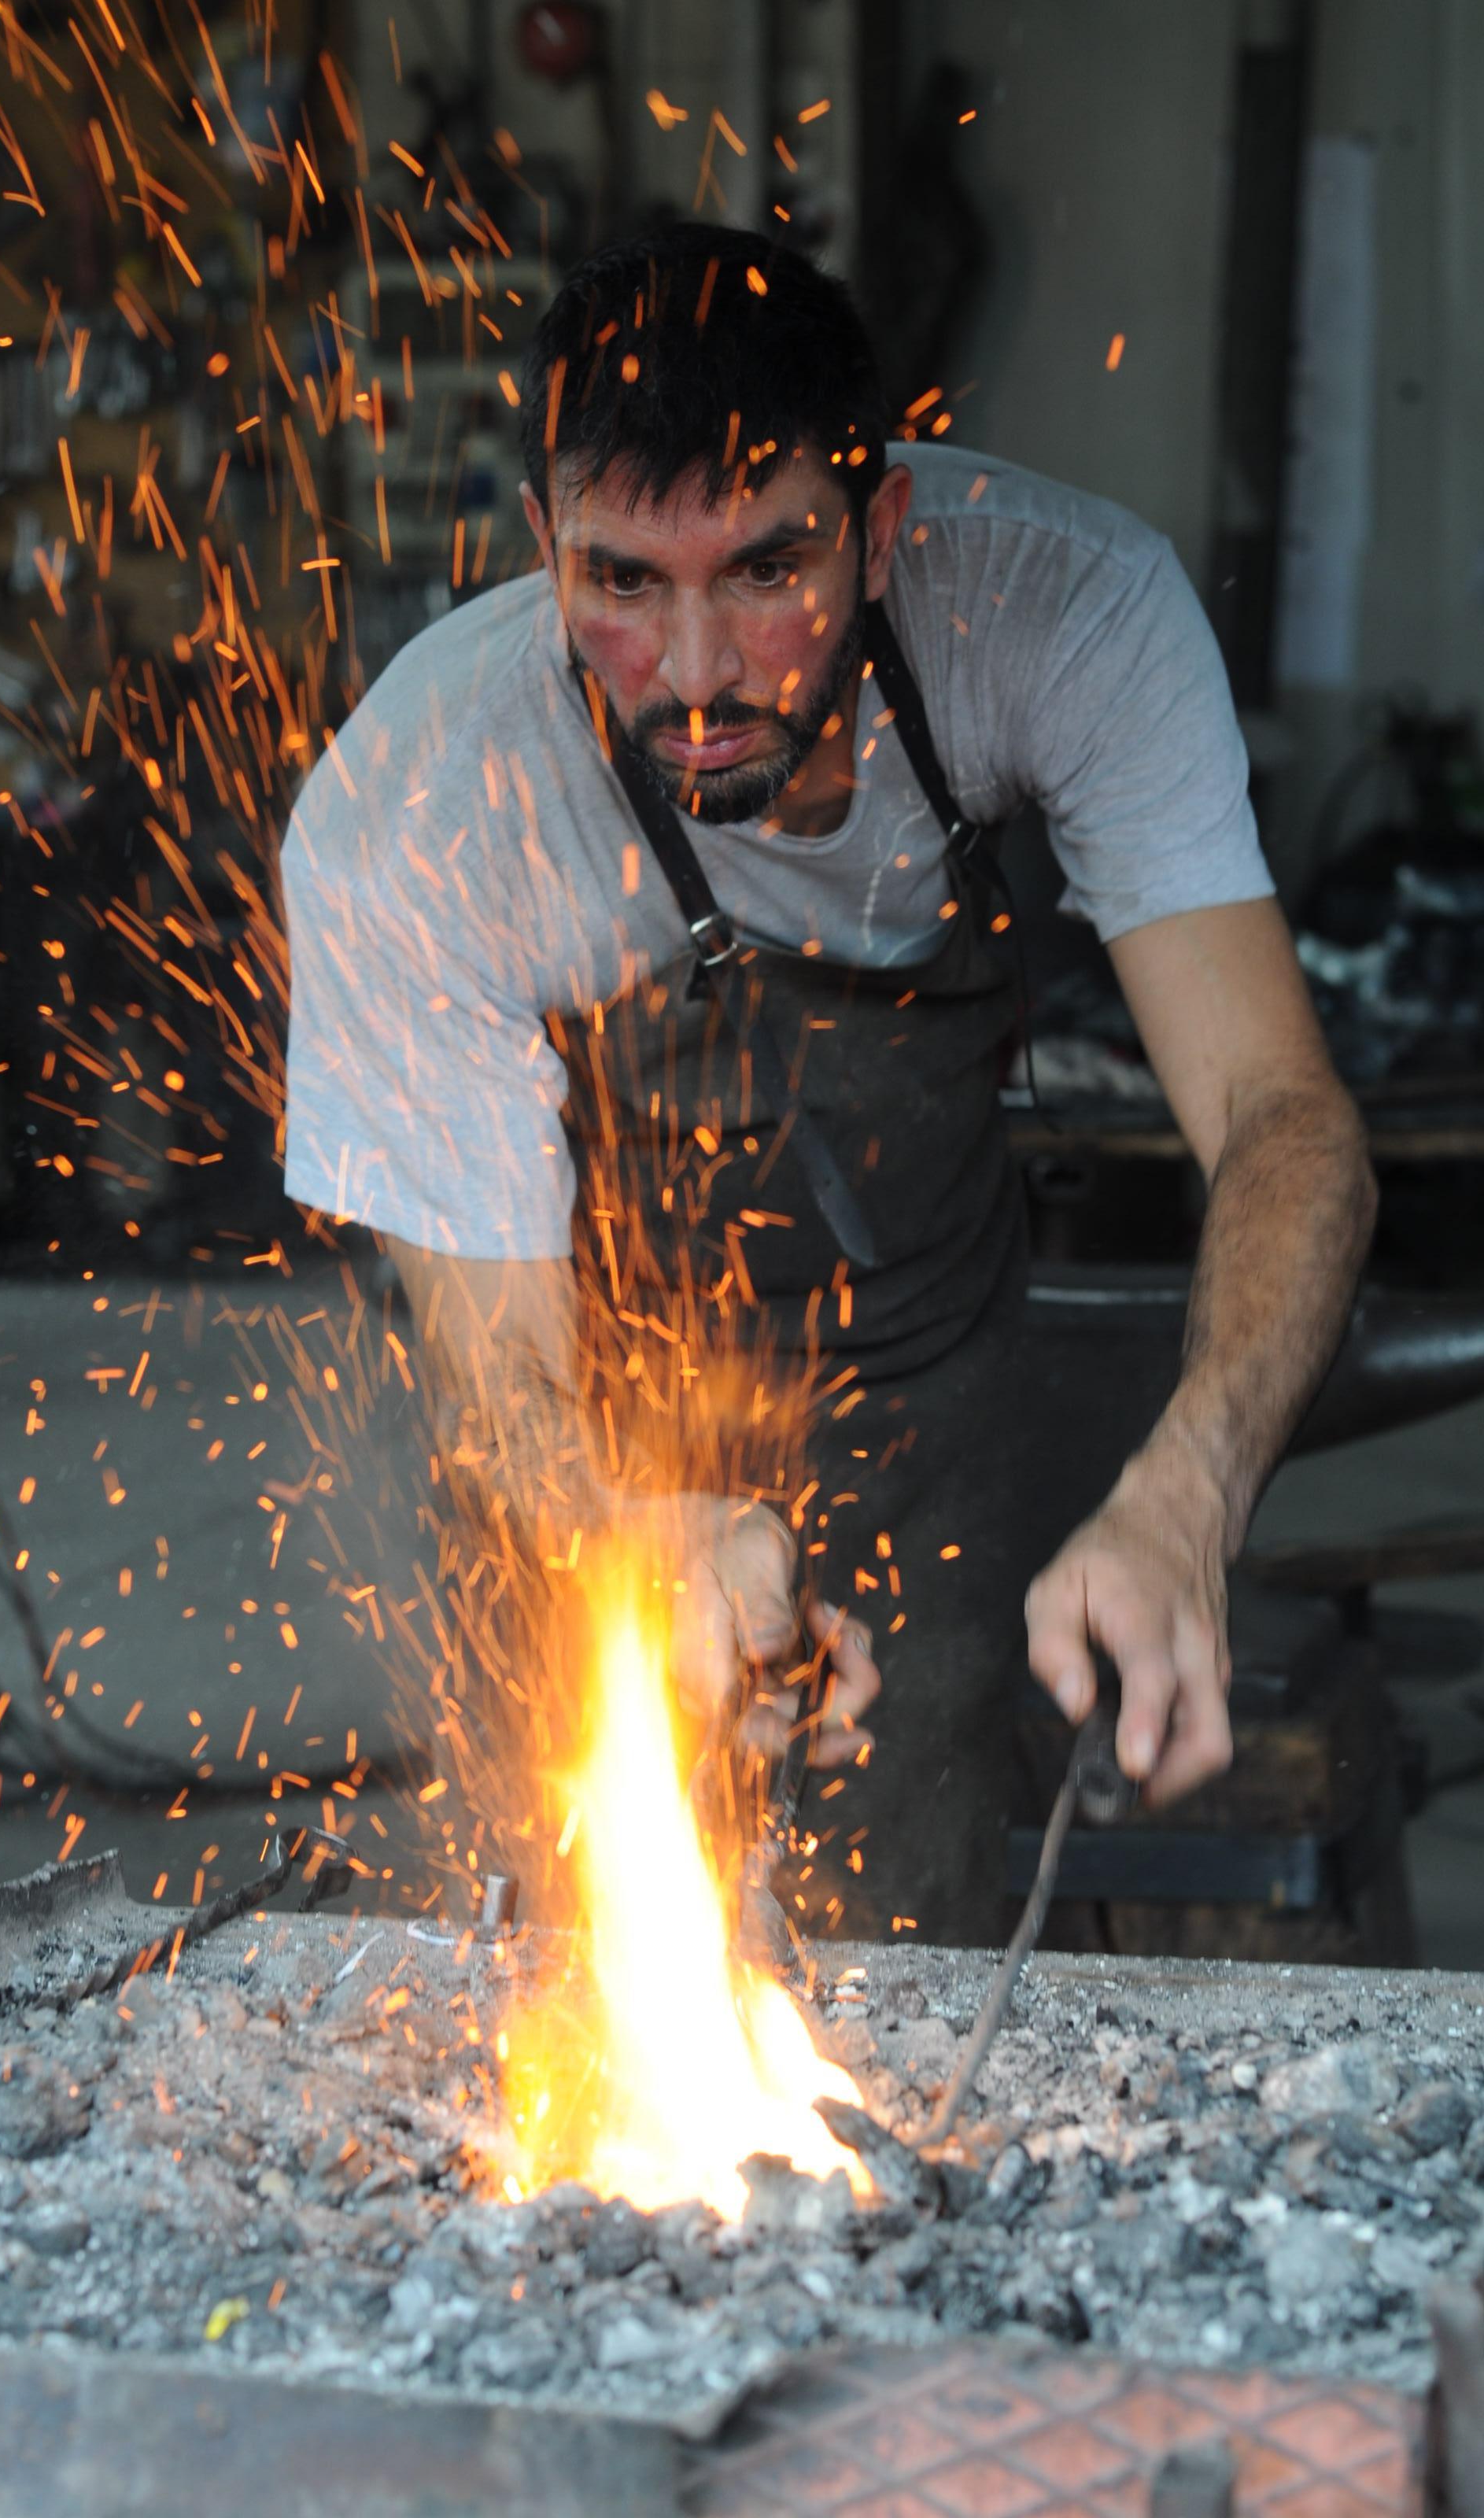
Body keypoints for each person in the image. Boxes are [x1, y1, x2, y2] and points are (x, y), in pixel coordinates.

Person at [280, 222, 1375, 1942]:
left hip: (927, 1370)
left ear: (882, 528)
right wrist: (609, 1525)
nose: (700, 674)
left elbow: (1285, 1117)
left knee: (916, 1918)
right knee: (578, 1970)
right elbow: (497, 1372)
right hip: (583, 1398)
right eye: (622, 583)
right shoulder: (420, 808)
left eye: (769, 571)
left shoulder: (1065, 616)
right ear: (540, 550)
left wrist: (1190, 1490)